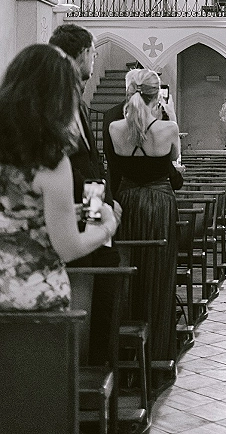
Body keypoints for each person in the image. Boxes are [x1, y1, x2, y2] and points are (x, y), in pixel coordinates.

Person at [0, 44, 118, 310]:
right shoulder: (49, 160)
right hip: (31, 298)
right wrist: (106, 226)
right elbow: (68, 247)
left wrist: (65, 212)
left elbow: (15, 216)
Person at [49, 23, 122, 363]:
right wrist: (101, 209)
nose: (94, 60)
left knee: (104, 268)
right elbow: (73, 164)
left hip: (90, 200)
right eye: (92, 53)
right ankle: (91, 363)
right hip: (82, 205)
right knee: (95, 273)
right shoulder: (61, 98)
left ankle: (99, 360)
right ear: (80, 54)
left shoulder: (72, 94)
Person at [108, 68, 180, 365]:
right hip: (159, 202)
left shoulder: (115, 128)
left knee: (129, 273)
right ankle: (159, 353)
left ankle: (126, 356)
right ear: (158, 95)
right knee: (160, 276)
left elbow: (115, 168)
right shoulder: (168, 128)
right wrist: (169, 114)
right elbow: (175, 159)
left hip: (128, 201)